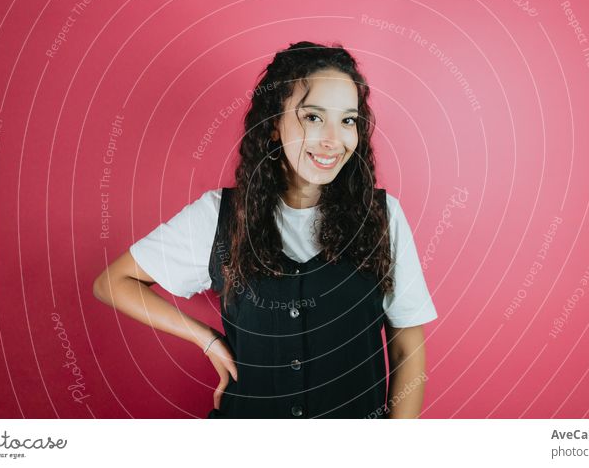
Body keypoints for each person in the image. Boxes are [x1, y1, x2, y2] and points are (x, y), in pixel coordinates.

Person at [93, 41, 437, 418]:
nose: (333, 140)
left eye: (348, 120)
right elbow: (113, 282)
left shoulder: (382, 216)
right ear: (274, 125)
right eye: (313, 117)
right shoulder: (218, 216)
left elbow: (407, 348)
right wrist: (206, 339)